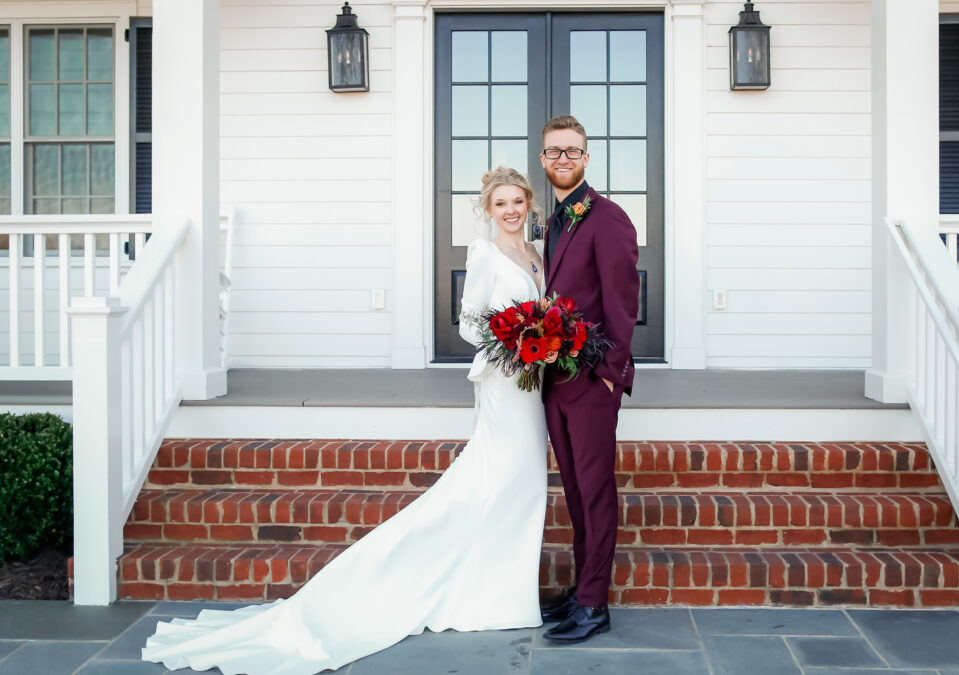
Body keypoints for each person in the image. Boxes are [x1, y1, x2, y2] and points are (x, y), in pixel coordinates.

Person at [141, 166, 549, 675]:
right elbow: (468, 323)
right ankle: (466, 590)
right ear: (488, 209)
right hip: (505, 381)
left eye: (517, 202)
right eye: (500, 203)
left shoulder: (536, 252)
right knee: (499, 480)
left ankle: (498, 593)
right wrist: (511, 342)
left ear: (529, 204)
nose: (510, 211)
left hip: (535, 383)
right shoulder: (484, 253)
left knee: (521, 484)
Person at [537, 115, 640, 644]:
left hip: (592, 380)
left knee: (596, 492)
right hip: (554, 381)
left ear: (586, 158)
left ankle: (595, 604)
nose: (563, 159)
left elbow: (623, 304)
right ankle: (582, 590)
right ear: (543, 159)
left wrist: (610, 376)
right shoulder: (553, 220)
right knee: (575, 491)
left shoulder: (608, 217)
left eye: (572, 151)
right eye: (554, 151)